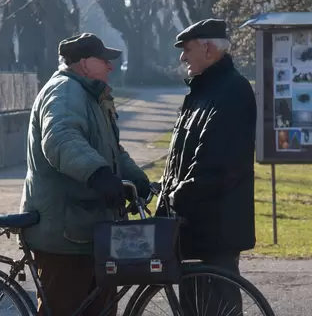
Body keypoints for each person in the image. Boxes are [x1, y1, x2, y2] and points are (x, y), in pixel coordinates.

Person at [19, 32, 150, 316]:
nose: (111, 67)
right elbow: (60, 139)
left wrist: (137, 179)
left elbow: (111, 150)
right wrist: (99, 174)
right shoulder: (65, 91)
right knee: (66, 309)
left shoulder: (90, 95)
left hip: (88, 230)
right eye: (105, 61)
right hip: (65, 235)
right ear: (85, 63)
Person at [157, 18, 257, 315]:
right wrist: (164, 192)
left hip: (215, 229)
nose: (182, 57)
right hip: (195, 228)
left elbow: (219, 165)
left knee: (215, 308)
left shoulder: (231, 92)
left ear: (209, 49)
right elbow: (182, 157)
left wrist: (176, 195)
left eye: (187, 49)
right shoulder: (202, 91)